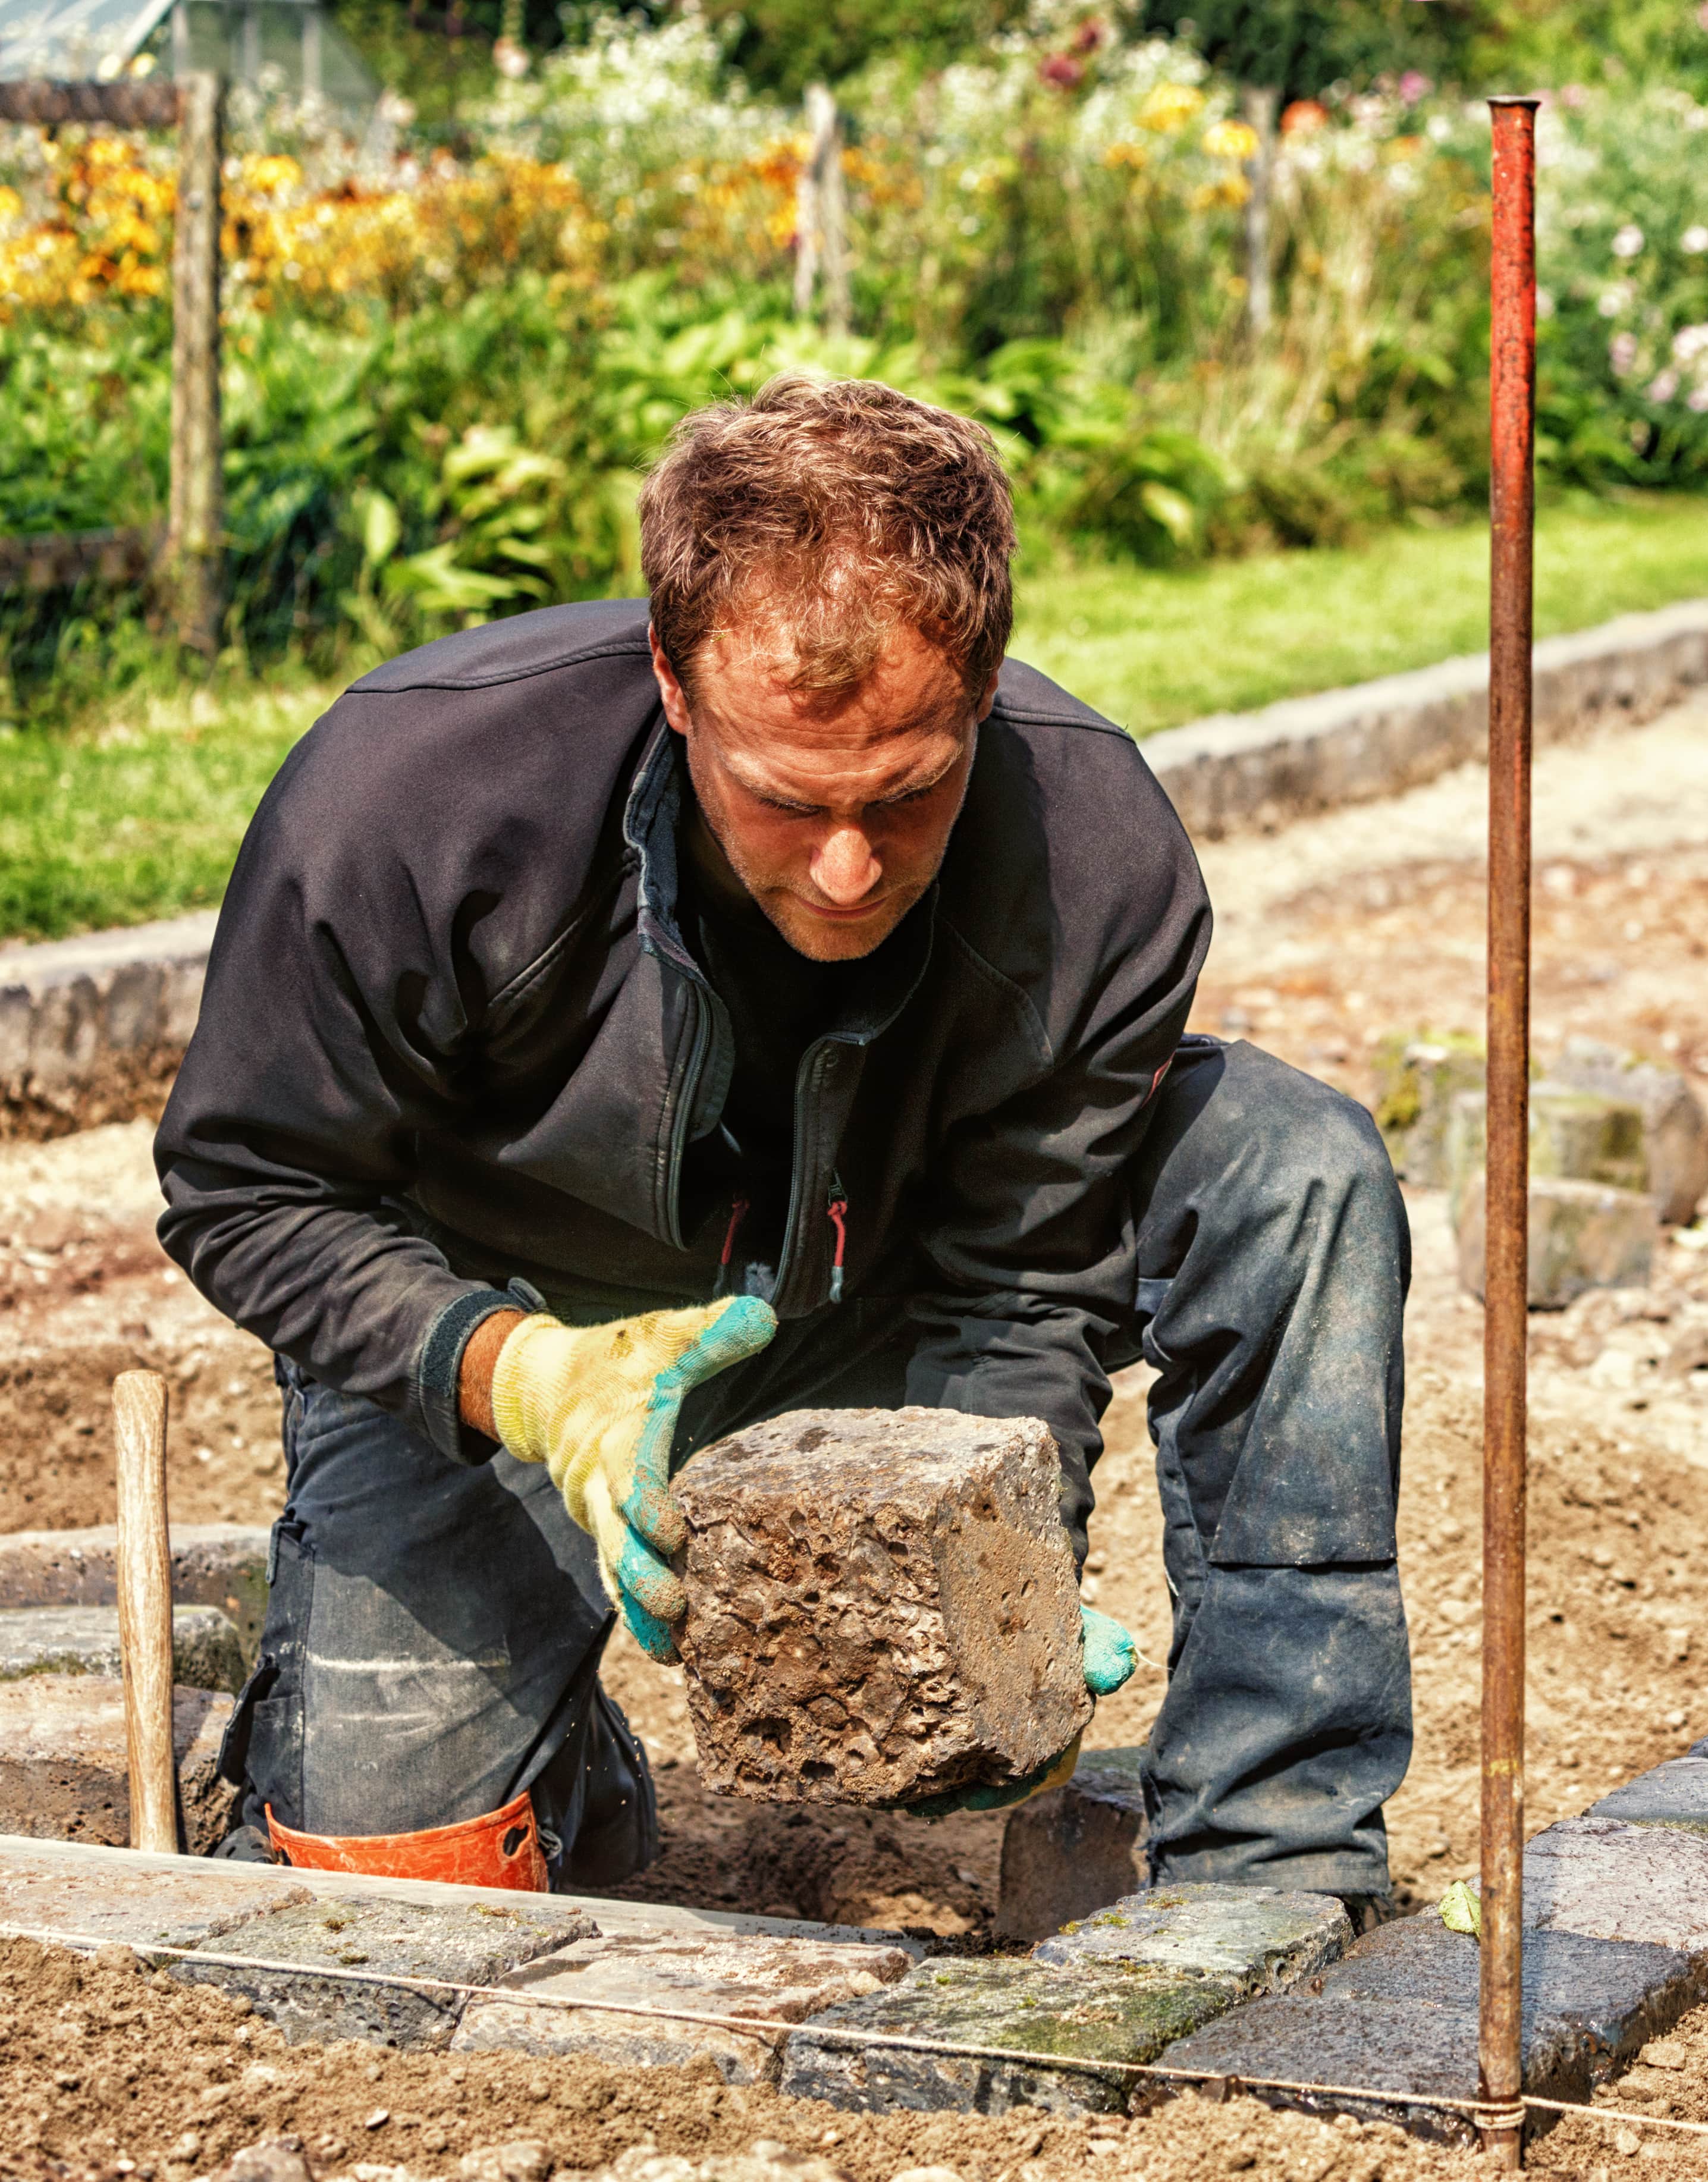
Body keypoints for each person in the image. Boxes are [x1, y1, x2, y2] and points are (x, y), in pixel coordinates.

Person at [155, 375, 1411, 1913]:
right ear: (673, 684)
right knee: (390, 1879)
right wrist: (527, 1377)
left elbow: (1023, 1279)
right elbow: (246, 1186)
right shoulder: (410, 810)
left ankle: (1270, 1861)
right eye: (781, 798)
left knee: (1293, 1166)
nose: (845, 868)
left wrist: (1001, 1563)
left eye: (911, 792)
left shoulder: (1096, 860)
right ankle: (573, 1766)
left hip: (868, 1292)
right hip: (524, 1338)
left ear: (987, 687)